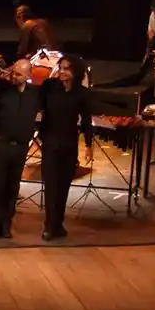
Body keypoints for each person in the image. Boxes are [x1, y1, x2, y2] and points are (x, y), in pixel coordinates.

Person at [39, 55, 93, 241]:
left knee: (63, 186)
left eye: (66, 69)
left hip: (69, 144)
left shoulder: (82, 93)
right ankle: (49, 225)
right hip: (50, 143)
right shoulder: (49, 87)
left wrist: (88, 144)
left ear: (75, 72)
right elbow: (37, 104)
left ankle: (58, 223)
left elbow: (86, 120)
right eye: (60, 68)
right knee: (51, 185)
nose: (62, 72)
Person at [0, 58, 38, 238]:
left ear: (29, 75)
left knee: (12, 186)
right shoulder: (2, 90)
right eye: (13, 72)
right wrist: (4, 75)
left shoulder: (34, 94)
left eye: (19, 74)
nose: (14, 76)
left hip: (20, 147)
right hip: (1, 144)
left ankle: (6, 224)